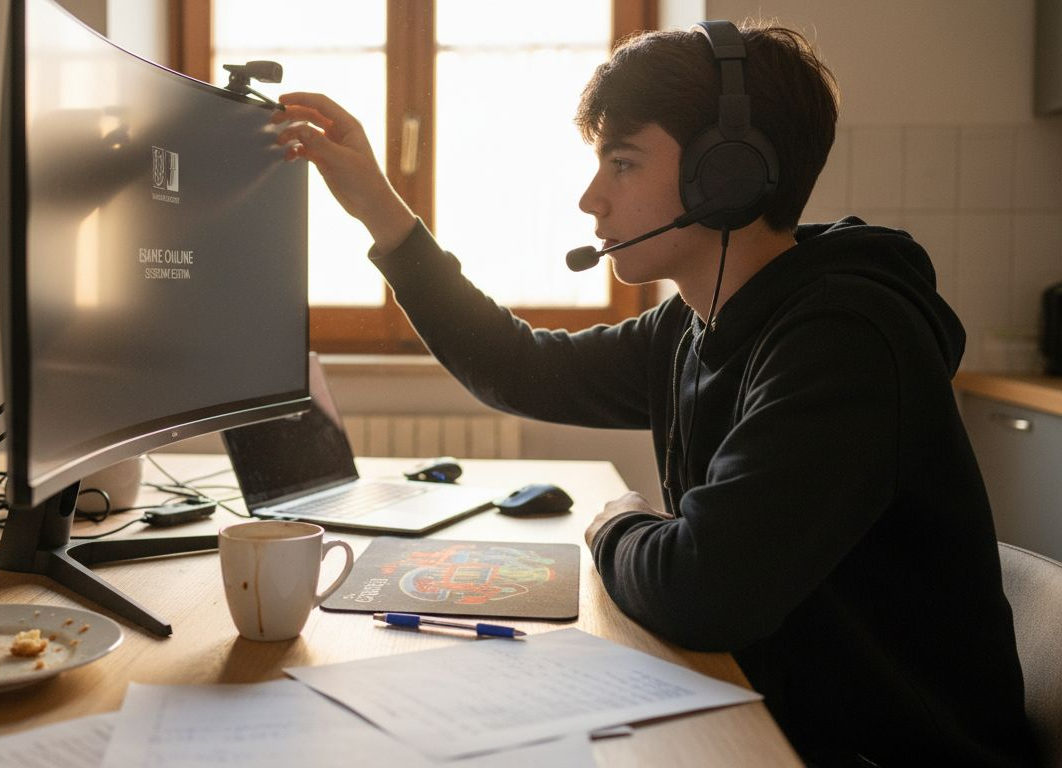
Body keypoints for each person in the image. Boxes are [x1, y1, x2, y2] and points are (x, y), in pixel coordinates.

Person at [273, 20, 1038, 768]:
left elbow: (703, 589)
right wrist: (377, 205)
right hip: (781, 712)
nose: (590, 198)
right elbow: (521, 367)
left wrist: (619, 525)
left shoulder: (845, 339)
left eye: (623, 163)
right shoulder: (695, 322)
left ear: (727, 176)